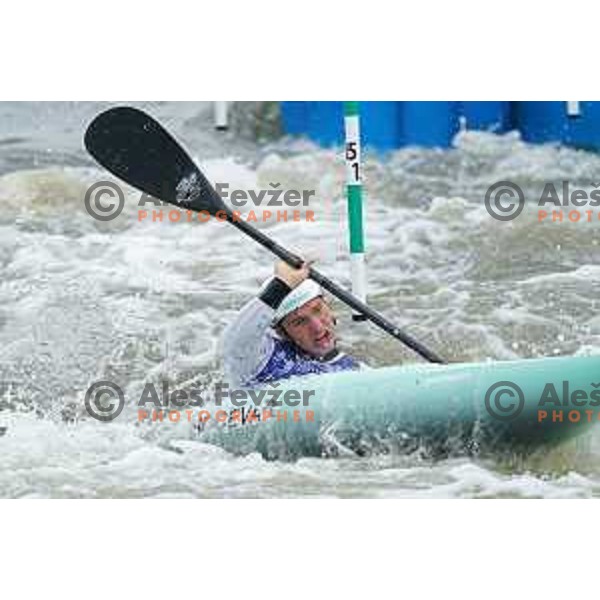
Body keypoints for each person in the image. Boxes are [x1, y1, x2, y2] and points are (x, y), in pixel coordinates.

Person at [222, 260, 361, 388]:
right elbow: (234, 344)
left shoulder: (352, 366)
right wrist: (282, 284)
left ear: (329, 307)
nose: (317, 327)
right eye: (300, 322)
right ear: (282, 333)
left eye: (318, 310)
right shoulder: (263, 360)